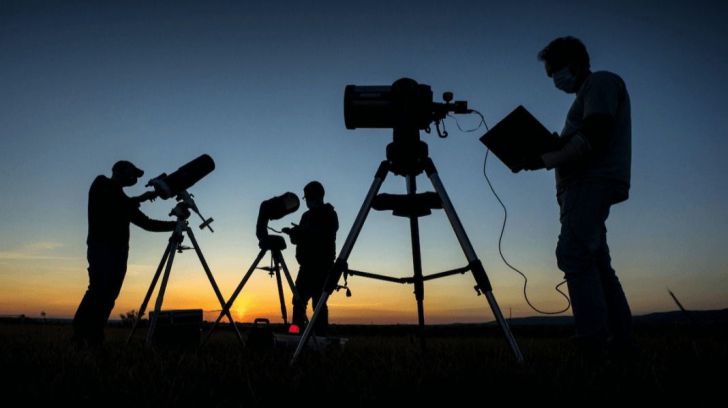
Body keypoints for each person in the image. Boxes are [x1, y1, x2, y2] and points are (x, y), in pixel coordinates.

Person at [522, 36, 634, 358]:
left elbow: (594, 135)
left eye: (555, 70)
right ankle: (620, 340)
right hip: (584, 185)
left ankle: (592, 340)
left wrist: (543, 159)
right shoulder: (589, 93)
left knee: (573, 253)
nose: (554, 79)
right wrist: (548, 151)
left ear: (575, 63)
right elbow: (582, 138)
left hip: (590, 182)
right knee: (596, 261)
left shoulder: (600, 82)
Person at [72, 160, 176, 347]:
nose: (134, 178)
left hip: (120, 253)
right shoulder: (101, 184)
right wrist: (139, 199)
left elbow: (147, 223)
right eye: (132, 174)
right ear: (118, 171)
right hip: (101, 248)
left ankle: (95, 336)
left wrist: (174, 226)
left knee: (109, 295)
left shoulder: (126, 202)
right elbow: (116, 203)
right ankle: (78, 335)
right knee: (97, 291)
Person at [282, 181, 338, 335]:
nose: (306, 201)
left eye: (307, 198)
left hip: (322, 268)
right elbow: (298, 239)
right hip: (305, 268)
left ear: (316, 197)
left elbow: (322, 235)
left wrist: (302, 232)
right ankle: (295, 334)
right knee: (298, 302)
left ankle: (321, 337)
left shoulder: (330, 214)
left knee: (319, 304)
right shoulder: (305, 216)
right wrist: (293, 234)